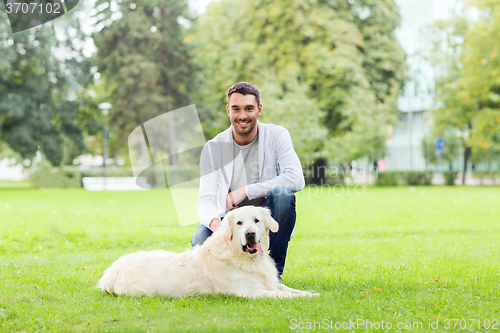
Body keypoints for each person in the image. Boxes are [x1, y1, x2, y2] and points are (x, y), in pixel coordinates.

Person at [192, 82, 305, 280]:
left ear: (259, 109)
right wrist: (220, 228)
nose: (242, 115)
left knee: (282, 194)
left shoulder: (277, 135)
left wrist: (247, 190)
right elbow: (205, 199)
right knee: (201, 238)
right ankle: (228, 277)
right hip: (232, 220)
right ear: (228, 110)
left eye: (249, 108)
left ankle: (273, 275)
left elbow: (296, 178)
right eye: (236, 109)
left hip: (265, 218)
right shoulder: (213, 147)